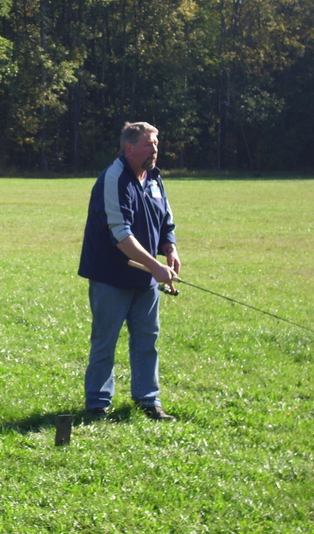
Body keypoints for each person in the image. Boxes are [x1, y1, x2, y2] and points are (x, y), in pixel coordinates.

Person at [78, 122, 181, 421]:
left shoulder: (154, 178)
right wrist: (155, 266)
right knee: (105, 342)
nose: (155, 150)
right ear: (129, 148)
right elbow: (120, 233)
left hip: (147, 277)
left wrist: (170, 249)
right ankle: (97, 404)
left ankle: (148, 400)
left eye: (156, 144)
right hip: (111, 276)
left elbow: (165, 220)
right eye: (149, 144)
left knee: (147, 340)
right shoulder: (114, 178)